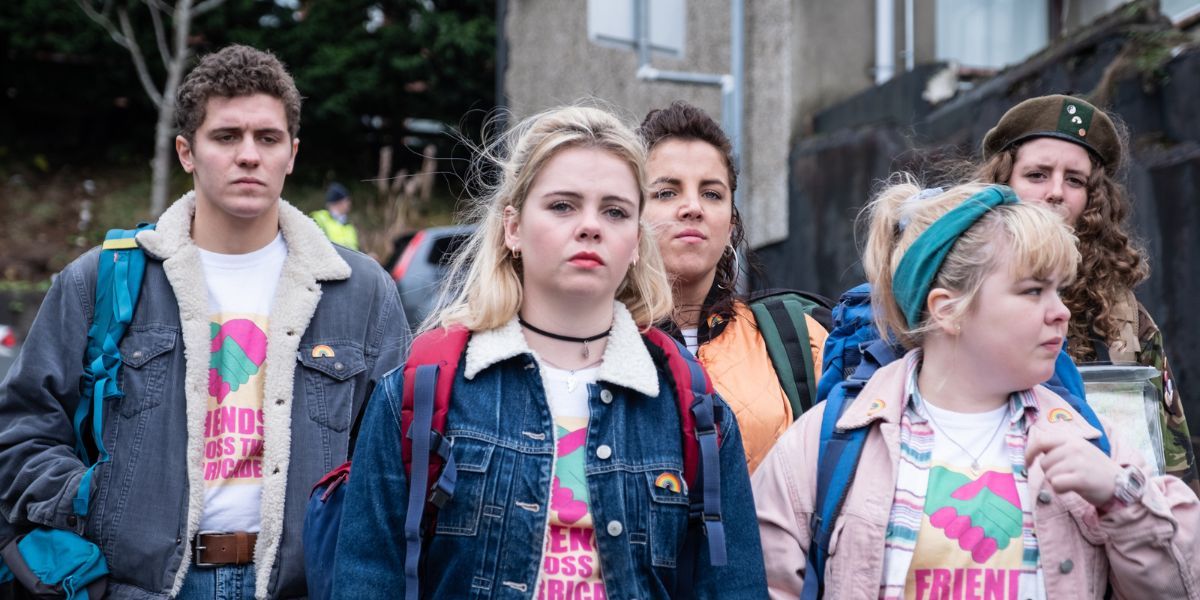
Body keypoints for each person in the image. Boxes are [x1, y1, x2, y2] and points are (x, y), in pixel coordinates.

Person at [0, 45, 409, 599]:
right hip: (138, 587)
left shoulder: (361, 293)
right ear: (187, 152)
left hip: (301, 585)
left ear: (292, 154)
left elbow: (395, 460)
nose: (248, 155)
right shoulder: (101, 280)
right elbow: (21, 430)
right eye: (226, 136)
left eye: (267, 138)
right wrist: (94, 501)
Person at [330, 105, 766, 598]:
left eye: (615, 211)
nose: (590, 226)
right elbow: (367, 580)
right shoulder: (419, 393)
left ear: (637, 242)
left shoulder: (693, 409)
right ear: (512, 227)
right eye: (562, 205)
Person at [753, 180, 1200, 599]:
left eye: (1059, 291)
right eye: (1032, 291)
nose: (1061, 312)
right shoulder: (828, 441)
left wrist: (1120, 495)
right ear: (948, 310)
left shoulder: (1089, 438)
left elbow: (1181, 585)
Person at [974, 94, 1198, 492]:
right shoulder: (958, 297)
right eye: (1037, 175)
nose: (1056, 192)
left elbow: (1173, 467)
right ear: (1002, 183)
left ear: (1093, 200)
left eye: (1074, 180)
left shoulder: (1124, 317)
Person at [639, 101, 828, 473]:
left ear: (729, 226)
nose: (693, 207)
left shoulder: (801, 336)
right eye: (666, 192)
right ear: (629, 213)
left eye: (712, 194)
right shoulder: (592, 341)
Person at [311, 182, 360, 251]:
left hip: (350, 261)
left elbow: (357, 250)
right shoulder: (320, 218)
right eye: (347, 200)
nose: (349, 203)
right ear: (339, 202)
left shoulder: (349, 224)